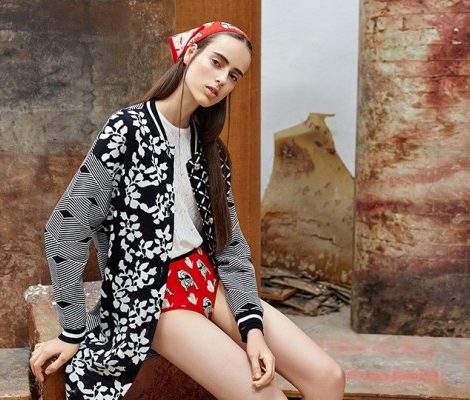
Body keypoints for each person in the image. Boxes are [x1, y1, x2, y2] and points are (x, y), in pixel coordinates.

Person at [29, 21, 345, 400]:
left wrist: (253, 332)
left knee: (329, 378)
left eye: (233, 75)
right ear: (190, 52)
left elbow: (230, 247)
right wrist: (72, 331)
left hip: (208, 279)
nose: (221, 80)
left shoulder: (210, 149)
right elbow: (65, 228)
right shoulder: (127, 131)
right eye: (217, 62)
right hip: (153, 298)